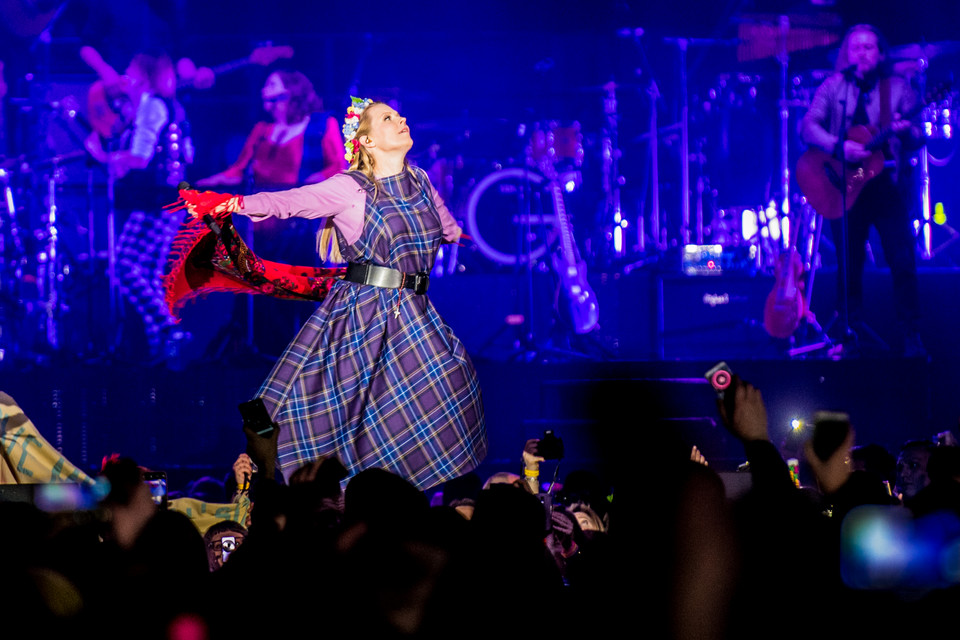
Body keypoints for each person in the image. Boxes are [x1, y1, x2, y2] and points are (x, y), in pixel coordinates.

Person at [173, 97, 486, 491]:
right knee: (342, 423)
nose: (401, 119)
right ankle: (296, 499)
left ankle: (400, 508)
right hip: (366, 316)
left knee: (450, 385)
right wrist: (233, 203)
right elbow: (289, 202)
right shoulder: (349, 189)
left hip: (415, 313)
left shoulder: (420, 180)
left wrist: (477, 241)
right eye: (388, 118)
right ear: (368, 142)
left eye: (399, 114)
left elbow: (447, 227)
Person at [800, 24, 925, 357]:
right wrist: (838, 146)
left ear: (881, 53)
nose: (863, 53)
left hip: (885, 185)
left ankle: (911, 334)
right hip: (844, 187)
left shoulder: (898, 89)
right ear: (847, 54)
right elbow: (808, 126)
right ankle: (848, 331)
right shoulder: (833, 86)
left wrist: (906, 129)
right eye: (856, 47)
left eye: (869, 47)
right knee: (848, 263)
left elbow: (917, 138)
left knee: (902, 259)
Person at [196, 70, 345, 189]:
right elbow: (240, 170)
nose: (264, 91)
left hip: (301, 214)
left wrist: (313, 182)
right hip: (262, 214)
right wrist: (213, 181)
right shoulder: (261, 130)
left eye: (272, 85)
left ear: (291, 91)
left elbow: (338, 167)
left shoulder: (322, 125)